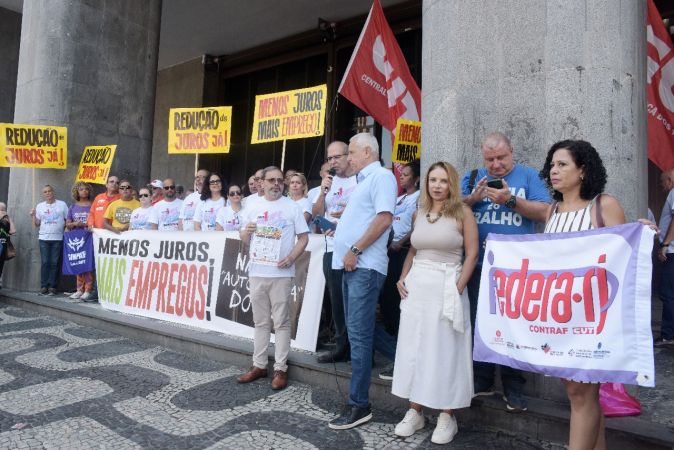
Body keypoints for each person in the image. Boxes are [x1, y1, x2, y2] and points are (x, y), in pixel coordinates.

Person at [540, 140, 626, 450]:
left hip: (593, 318)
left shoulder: (605, 206)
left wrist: (644, 234)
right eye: (552, 165)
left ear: (583, 170)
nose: (554, 170)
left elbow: (624, 256)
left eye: (562, 164)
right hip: (562, 318)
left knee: (581, 393)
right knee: (579, 393)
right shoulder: (552, 211)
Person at [461, 131, 550, 412]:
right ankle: (482, 379)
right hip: (478, 266)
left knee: (513, 328)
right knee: (478, 324)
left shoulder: (528, 176)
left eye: (501, 158)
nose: (496, 164)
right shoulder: (472, 176)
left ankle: (513, 387)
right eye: (490, 159)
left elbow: (546, 212)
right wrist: (472, 199)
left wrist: (510, 201)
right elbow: (451, 210)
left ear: (512, 152)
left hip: (516, 269)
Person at [391, 161, 478, 444]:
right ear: (426, 183)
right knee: (414, 347)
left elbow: (472, 254)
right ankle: (415, 410)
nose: (437, 186)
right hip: (417, 288)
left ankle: (446, 415)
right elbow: (413, 250)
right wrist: (403, 277)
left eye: (443, 180)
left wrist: (458, 286)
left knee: (445, 349)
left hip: (447, 284)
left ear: (451, 183)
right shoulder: (419, 213)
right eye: (432, 180)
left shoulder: (463, 212)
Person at [328, 133, 397, 430]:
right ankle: (408, 359)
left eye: (352, 153)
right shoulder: (364, 181)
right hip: (353, 266)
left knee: (358, 335)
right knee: (360, 328)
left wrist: (355, 249)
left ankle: (359, 404)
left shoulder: (381, 177)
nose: (348, 158)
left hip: (364, 267)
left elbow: (384, 219)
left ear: (368, 151)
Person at [237, 166, 309, 391]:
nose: (276, 184)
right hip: (257, 271)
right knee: (260, 322)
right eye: (271, 180)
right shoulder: (252, 205)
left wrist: (291, 258)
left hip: (281, 273)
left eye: (279, 180)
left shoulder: (292, 206)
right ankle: (259, 365)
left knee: (281, 322)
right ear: (262, 183)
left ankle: (280, 368)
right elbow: (243, 238)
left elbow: (304, 238)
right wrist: (246, 232)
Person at [313, 141, 357, 364]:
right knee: (336, 300)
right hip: (330, 248)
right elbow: (316, 214)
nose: (333, 162)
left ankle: (358, 348)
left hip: (353, 249)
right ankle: (341, 346)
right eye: (329, 158)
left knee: (354, 302)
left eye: (337, 157)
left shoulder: (360, 180)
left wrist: (348, 215)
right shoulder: (329, 182)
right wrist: (322, 193)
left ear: (349, 156)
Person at [30, 185, 68, 295]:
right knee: (45, 262)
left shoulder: (62, 204)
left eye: (49, 191)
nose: (47, 193)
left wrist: (66, 229)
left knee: (55, 263)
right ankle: (44, 286)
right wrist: (33, 216)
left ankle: (52, 286)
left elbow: (68, 218)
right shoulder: (40, 206)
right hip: (43, 238)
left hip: (58, 237)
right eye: (45, 192)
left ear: (53, 192)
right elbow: (37, 224)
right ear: (43, 194)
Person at [66, 182, 94, 300]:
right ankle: (79, 289)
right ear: (76, 192)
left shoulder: (92, 205)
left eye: (86, 189)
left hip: (88, 238)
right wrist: (74, 224)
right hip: (76, 239)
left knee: (87, 264)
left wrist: (84, 224)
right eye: (81, 189)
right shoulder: (72, 207)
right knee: (78, 262)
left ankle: (88, 289)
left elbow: (95, 221)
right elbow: (67, 223)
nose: (84, 191)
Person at [656, 168, 674, 347]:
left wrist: (665, 244)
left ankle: (668, 335)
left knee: (667, 293)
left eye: (662, 182)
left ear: (670, 180)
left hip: (672, 251)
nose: (661, 186)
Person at [0, 203, 16, 287]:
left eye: (3, 209)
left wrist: (8, 218)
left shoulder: (6, 220)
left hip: (3, 244)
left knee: (0, 265)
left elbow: (13, 231)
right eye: (1, 209)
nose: (2, 211)